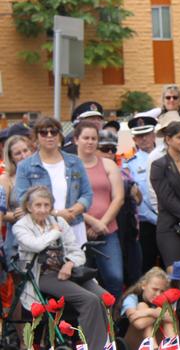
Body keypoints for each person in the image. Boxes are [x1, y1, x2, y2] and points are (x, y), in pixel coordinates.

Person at [13, 186, 109, 350]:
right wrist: (55, 233)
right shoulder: (21, 227)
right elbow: (36, 245)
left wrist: (70, 263)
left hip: (68, 271)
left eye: (46, 205)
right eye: (38, 205)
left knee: (104, 296)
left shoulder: (59, 221)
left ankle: (105, 342)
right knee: (89, 300)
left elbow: (77, 252)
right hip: (42, 275)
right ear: (29, 207)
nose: (43, 210)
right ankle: (94, 346)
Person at [14, 117, 93, 245]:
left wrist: (72, 212)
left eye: (54, 132)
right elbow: (24, 200)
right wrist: (56, 214)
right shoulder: (25, 166)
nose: (49, 136)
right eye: (44, 132)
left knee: (76, 263)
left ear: (60, 135)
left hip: (74, 225)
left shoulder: (75, 161)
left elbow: (87, 194)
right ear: (36, 137)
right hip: (42, 229)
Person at [76, 121, 125, 298]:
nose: (90, 142)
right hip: (77, 231)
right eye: (85, 138)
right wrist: (91, 221)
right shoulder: (69, 166)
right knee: (80, 280)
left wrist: (102, 223)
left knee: (115, 278)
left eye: (93, 138)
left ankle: (112, 322)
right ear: (76, 140)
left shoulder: (108, 165)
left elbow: (118, 198)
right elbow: (66, 202)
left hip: (107, 230)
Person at [150, 121, 180, 271]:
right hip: (171, 229)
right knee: (177, 275)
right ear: (168, 139)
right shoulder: (159, 165)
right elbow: (167, 198)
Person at [98, 130, 143, 286]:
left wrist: (132, 191)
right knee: (110, 278)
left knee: (133, 275)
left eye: (113, 149)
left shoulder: (124, 171)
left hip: (129, 230)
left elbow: (138, 200)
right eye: (105, 149)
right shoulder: (90, 173)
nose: (110, 153)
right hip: (105, 230)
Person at [123, 116, 161, 273]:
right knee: (147, 268)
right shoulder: (129, 163)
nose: (144, 138)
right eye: (139, 136)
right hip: (146, 224)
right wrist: (156, 219)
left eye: (147, 134)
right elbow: (136, 198)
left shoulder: (166, 157)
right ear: (134, 139)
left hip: (172, 221)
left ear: (154, 135)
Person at [119, 267, 174, 349]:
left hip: (152, 342)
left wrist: (150, 312)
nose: (158, 294)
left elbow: (172, 318)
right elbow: (139, 324)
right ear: (144, 285)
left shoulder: (162, 303)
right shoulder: (132, 298)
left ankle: (172, 345)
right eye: (155, 289)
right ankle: (153, 346)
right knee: (142, 305)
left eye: (162, 291)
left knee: (166, 319)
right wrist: (159, 314)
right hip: (129, 344)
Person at [0, 135, 34, 260]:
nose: (24, 156)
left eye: (26, 150)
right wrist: (16, 215)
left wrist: (31, 212)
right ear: (11, 158)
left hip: (42, 235)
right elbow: (1, 213)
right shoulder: (6, 179)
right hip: (16, 239)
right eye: (18, 153)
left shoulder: (41, 174)